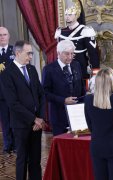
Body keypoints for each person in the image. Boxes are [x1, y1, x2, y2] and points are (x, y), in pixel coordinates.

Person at [0, 40, 46, 180]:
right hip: (21, 124)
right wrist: (34, 119)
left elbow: (41, 94)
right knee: (22, 160)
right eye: (29, 53)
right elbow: (13, 103)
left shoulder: (31, 70)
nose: (31, 56)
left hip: (36, 125)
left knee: (35, 160)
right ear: (18, 53)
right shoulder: (7, 74)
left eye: (31, 53)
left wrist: (40, 117)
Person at [42, 40, 85, 136]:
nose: (70, 57)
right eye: (67, 54)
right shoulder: (49, 69)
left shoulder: (76, 65)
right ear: (58, 53)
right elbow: (45, 93)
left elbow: (82, 87)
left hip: (77, 114)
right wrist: (63, 100)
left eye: (72, 54)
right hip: (59, 115)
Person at [55, 0, 99, 79]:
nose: (67, 17)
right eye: (66, 15)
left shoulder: (86, 31)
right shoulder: (60, 32)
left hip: (81, 68)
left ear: (77, 15)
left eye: (70, 15)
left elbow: (93, 54)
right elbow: (58, 54)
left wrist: (95, 75)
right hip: (64, 69)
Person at [0, 26, 15, 154]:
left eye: (4, 34)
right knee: (5, 120)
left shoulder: (14, 51)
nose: (2, 37)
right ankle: (7, 144)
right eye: (0, 35)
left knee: (14, 119)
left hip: (14, 93)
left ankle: (16, 144)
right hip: (1, 94)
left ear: (8, 36)